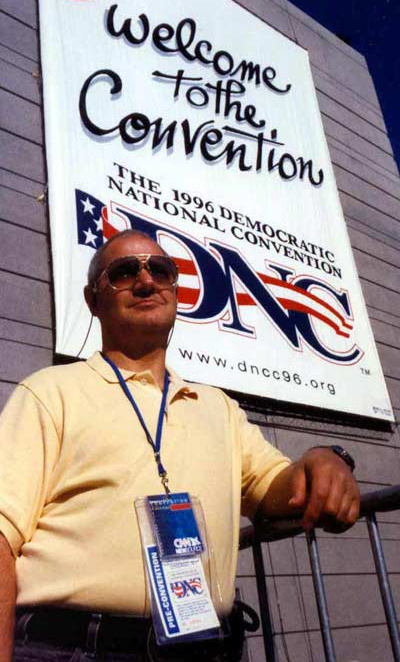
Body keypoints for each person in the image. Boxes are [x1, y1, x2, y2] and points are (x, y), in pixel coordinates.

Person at [0, 229, 360, 662]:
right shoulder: (49, 393)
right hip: (76, 647)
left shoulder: (219, 408)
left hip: (208, 648)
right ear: (93, 300)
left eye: (161, 270)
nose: (146, 281)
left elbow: (280, 487)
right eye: (124, 271)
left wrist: (325, 459)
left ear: (175, 290)